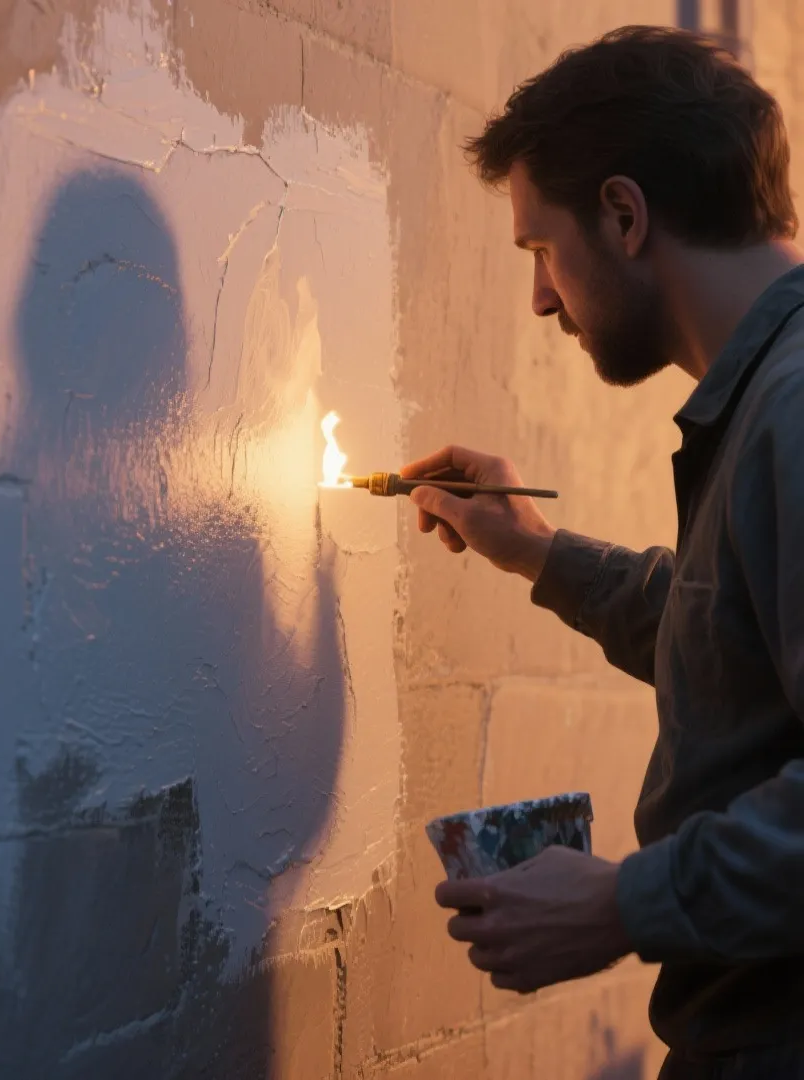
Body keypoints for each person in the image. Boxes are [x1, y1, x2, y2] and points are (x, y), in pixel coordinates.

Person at [406, 26, 804, 1078]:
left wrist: (626, 904)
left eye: (541, 248)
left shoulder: (798, 410)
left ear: (624, 216)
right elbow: (732, 637)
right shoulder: (771, 401)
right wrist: (538, 555)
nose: (540, 297)